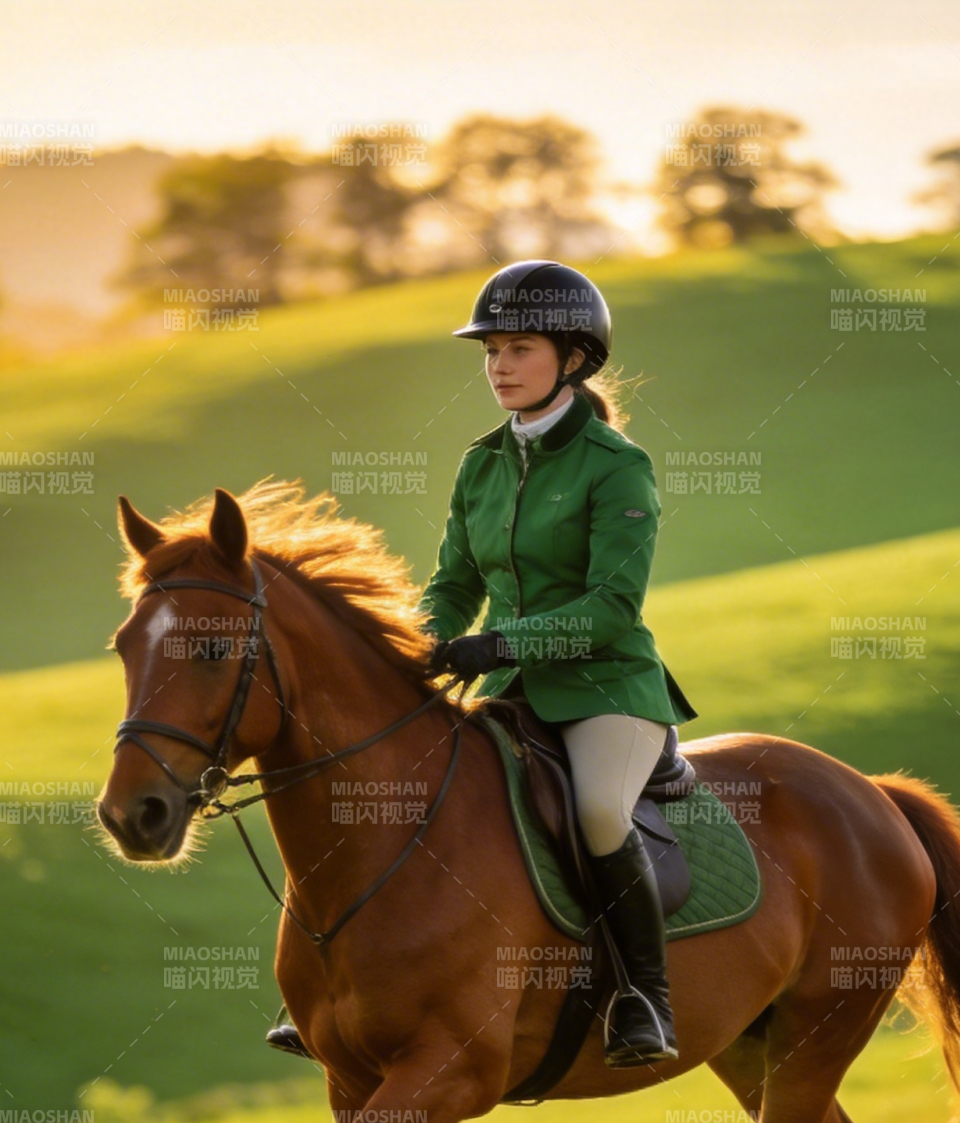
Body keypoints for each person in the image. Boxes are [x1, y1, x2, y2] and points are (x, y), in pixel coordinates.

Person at [267, 259, 697, 1067]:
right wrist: (417, 644)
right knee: (384, 783)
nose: (499, 365)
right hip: (503, 690)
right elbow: (455, 583)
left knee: (602, 811)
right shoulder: (482, 463)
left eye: (519, 348)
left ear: (572, 358)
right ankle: (337, 986)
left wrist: (501, 644)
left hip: (608, 689)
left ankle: (646, 995)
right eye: (490, 350)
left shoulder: (616, 466)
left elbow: (610, 608)